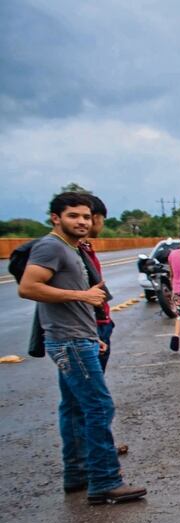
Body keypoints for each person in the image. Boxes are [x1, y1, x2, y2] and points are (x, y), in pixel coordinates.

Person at [18, 192, 146, 504]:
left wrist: (92, 334)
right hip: (70, 340)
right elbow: (28, 287)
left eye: (86, 217)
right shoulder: (51, 246)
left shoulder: (70, 248)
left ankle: (76, 473)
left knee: (74, 407)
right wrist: (83, 298)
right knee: (99, 407)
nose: (82, 222)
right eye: (74, 216)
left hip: (78, 338)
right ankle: (104, 481)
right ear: (55, 218)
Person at [79, 194, 115, 371]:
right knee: (94, 395)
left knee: (79, 394)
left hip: (96, 326)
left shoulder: (84, 248)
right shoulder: (68, 250)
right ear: (95, 218)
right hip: (88, 329)